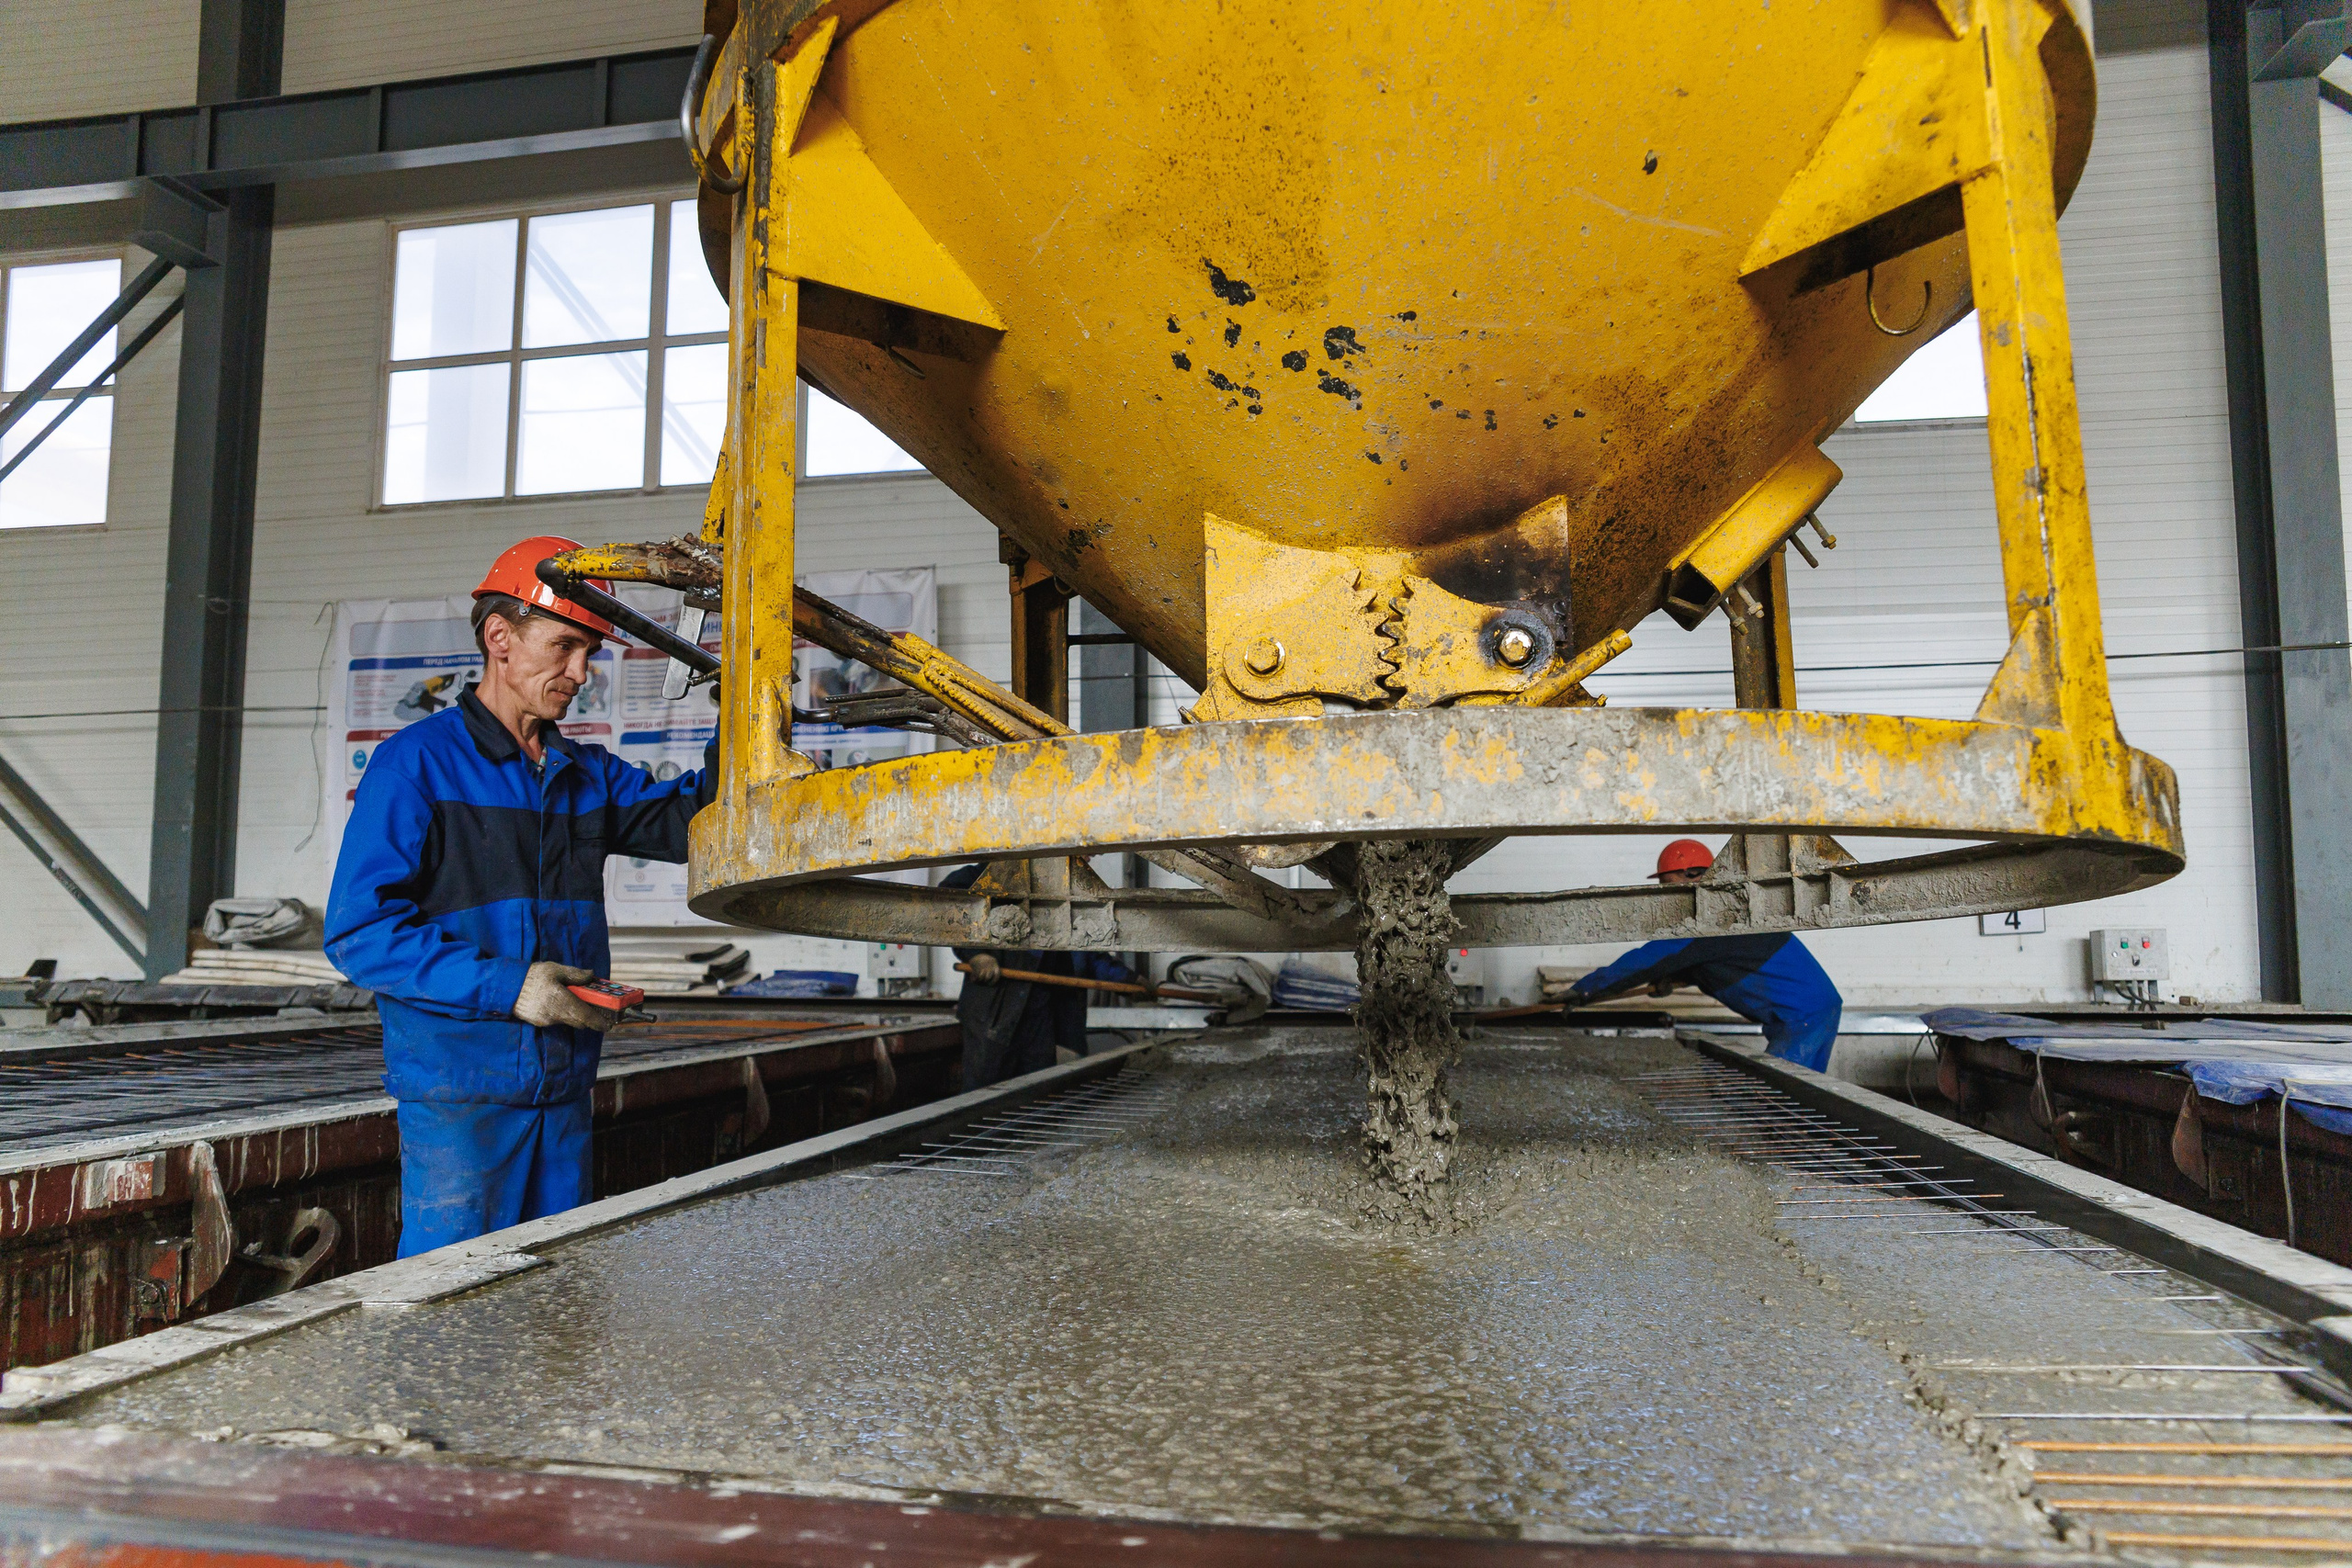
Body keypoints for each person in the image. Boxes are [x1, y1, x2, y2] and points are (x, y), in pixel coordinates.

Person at [326, 536, 716, 1257]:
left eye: (590, 653)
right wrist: (513, 988)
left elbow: (700, 824)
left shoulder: (582, 772)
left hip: (562, 1087)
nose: (581, 672)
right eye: (565, 646)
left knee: (557, 1298)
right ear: (499, 638)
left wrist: (746, 715)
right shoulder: (415, 766)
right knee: (454, 1301)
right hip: (462, 1097)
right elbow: (361, 933)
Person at [1561, 839, 1844, 1070]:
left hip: (1803, 1017)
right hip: (1814, 1009)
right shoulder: (1728, 917)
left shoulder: (1710, 922)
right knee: (1801, 1094)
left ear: (1696, 877)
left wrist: (1585, 991)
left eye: (1671, 887)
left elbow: (1645, 962)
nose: (1668, 898)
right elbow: (1718, 963)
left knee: (1783, 1100)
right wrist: (1677, 975)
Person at [941, 863, 1144, 1087]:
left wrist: (1130, 981)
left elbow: (1087, 955)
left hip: (1040, 1020)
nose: (1091, 857)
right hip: (992, 1014)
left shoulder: (1064, 891)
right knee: (985, 1098)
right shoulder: (998, 872)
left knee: (1037, 1097)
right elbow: (951, 902)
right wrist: (976, 954)